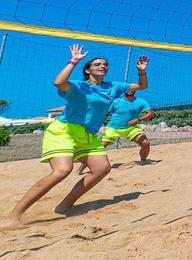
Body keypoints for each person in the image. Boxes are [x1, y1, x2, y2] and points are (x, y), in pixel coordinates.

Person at [0, 44, 148, 230]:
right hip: (64, 131)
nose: (103, 66)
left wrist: (141, 71)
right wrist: (73, 61)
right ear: (88, 70)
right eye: (97, 64)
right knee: (62, 171)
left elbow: (142, 85)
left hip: (87, 134)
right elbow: (58, 82)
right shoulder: (79, 86)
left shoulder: (113, 87)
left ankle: (63, 207)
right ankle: (14, 215)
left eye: (105, 64)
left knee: (102, 168)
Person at [102, 90, 155, 161]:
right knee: (100, 148)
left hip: (130, 128)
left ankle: (143, 162)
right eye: (128, 89)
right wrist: (99, 123)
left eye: (132, 89)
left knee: (145, 143)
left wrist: (138, 119)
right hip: (113, 128)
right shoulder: (116, 101)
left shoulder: (141, 102)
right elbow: (105, 113)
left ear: (135, 90)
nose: (130, 90)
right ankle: (89, 165)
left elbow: (150, 113)